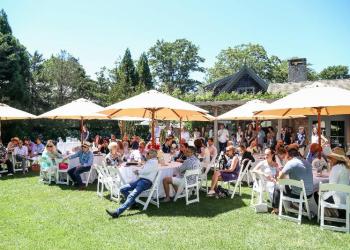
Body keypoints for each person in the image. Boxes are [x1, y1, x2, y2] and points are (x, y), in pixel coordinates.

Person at [106, 149, 159, 218]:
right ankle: (133, 204)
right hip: (141, 180)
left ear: (151, 155)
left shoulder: (153, 162)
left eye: (147, 153)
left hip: (145, 182)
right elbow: (144, 170)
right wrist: (139, 171)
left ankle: (117, 212)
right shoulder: (150, 162)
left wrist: (138, 172)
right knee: (122, 189)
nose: (145, 155)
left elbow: (144, 171)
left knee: (131, 195)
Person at [271, 147, 314, 214]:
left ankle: (276, 209)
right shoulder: (307, 162)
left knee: (277, 186)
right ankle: (296, 205)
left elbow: (279, 179)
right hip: (309, 194)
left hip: (298, 195)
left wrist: (279, 173)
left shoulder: (291, 163)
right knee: (293, 186)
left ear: (289, 156)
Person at [322, 147, 350, 217]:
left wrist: (322, 191)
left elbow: (331, 185)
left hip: (337, 197)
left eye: (332, 158)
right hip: (346, 197)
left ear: (336, 159)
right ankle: (337, 213)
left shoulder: (336, 168)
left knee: (319, 195)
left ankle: (331, 215)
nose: (330, 160)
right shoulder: (347, 168)